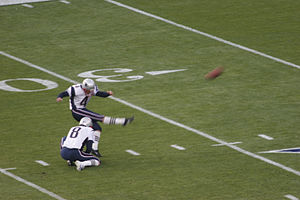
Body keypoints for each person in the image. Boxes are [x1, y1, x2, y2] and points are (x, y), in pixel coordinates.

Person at [56, 78, 134, 157]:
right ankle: (122, 121)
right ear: (83, 88)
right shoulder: (75, 89)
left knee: (97, 128)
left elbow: (99, 93)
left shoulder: (92, 89)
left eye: (91, 90)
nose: (89, 92)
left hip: (83, 109)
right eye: (88, 90)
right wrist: (60, 97)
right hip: (76, 110)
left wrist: (107, 94)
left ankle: (94, 148)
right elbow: (64, 93)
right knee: (98, 117)